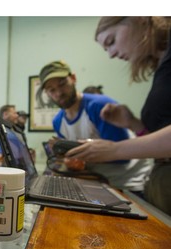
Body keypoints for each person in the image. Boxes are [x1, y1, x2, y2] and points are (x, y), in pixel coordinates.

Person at [65, 17, 171, 216]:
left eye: (111, 41)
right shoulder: (162, 67)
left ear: (138, 18)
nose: (112, 54)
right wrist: (132, 122)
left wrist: (115, 150)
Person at [38, 60, 152, 193]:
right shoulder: (58, 121)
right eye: (52, 90)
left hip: (130, 185)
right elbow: (75, 161)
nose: (58, 93)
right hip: (99, 185)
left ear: (73, 78)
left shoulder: (98, 106)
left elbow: (123, 156)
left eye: (62, 84)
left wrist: (80, 158)